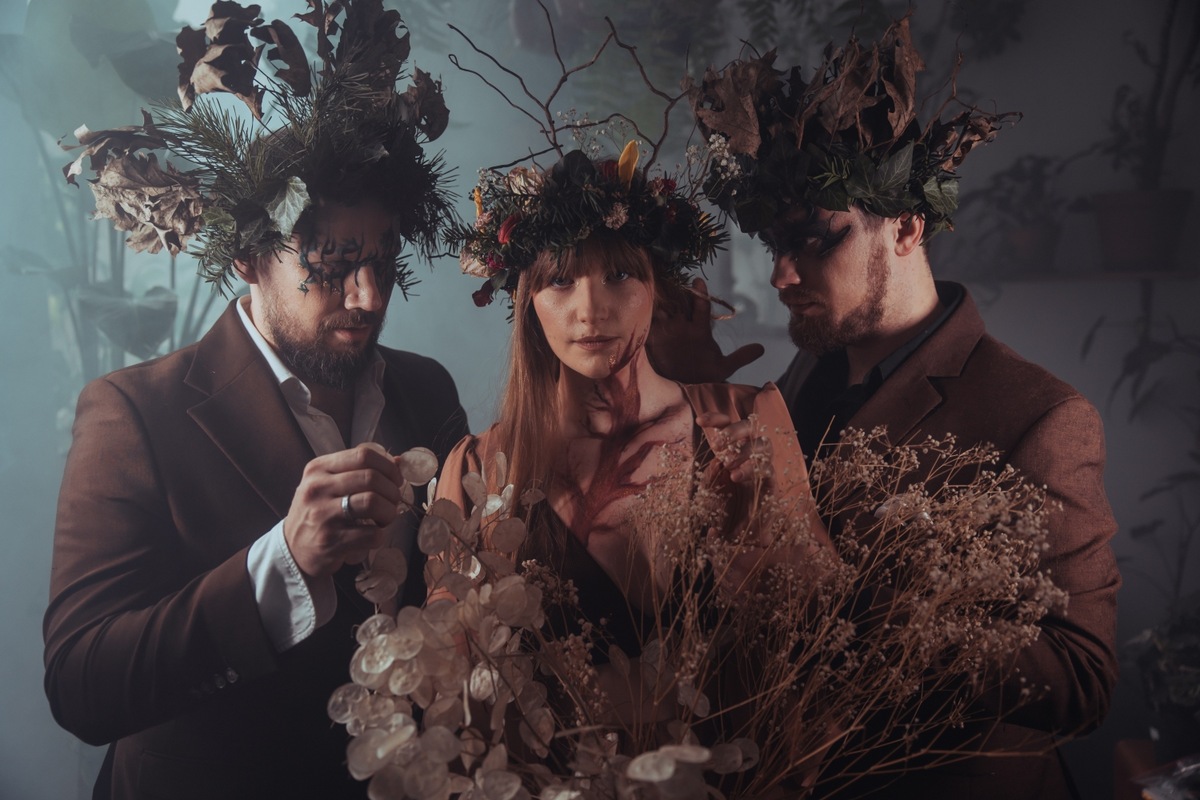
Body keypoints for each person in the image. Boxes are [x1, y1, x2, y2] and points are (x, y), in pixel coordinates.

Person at [669, 17, 1121, 800]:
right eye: (776, 246)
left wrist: (859, 600)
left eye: (817, 240)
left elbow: (1082, 680)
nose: (781, 275)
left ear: (908, 226)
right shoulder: (805, 376)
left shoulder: (1043, 417)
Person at [43, 4, 466, 798]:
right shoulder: (133, 414)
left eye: (382, 262)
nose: (369, 296)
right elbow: (82, 684)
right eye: (332, 265)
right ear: (247, 256)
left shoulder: (426, 389)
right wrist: (283, 565)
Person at [439, 144, 830, 731]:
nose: (590, 310)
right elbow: (447, 691)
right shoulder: (480, 468)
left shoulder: (745, 422)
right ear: (527, 300)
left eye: (618, 275)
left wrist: (766, 538)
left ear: (657, 284)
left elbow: (819, 640)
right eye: (560, 281)